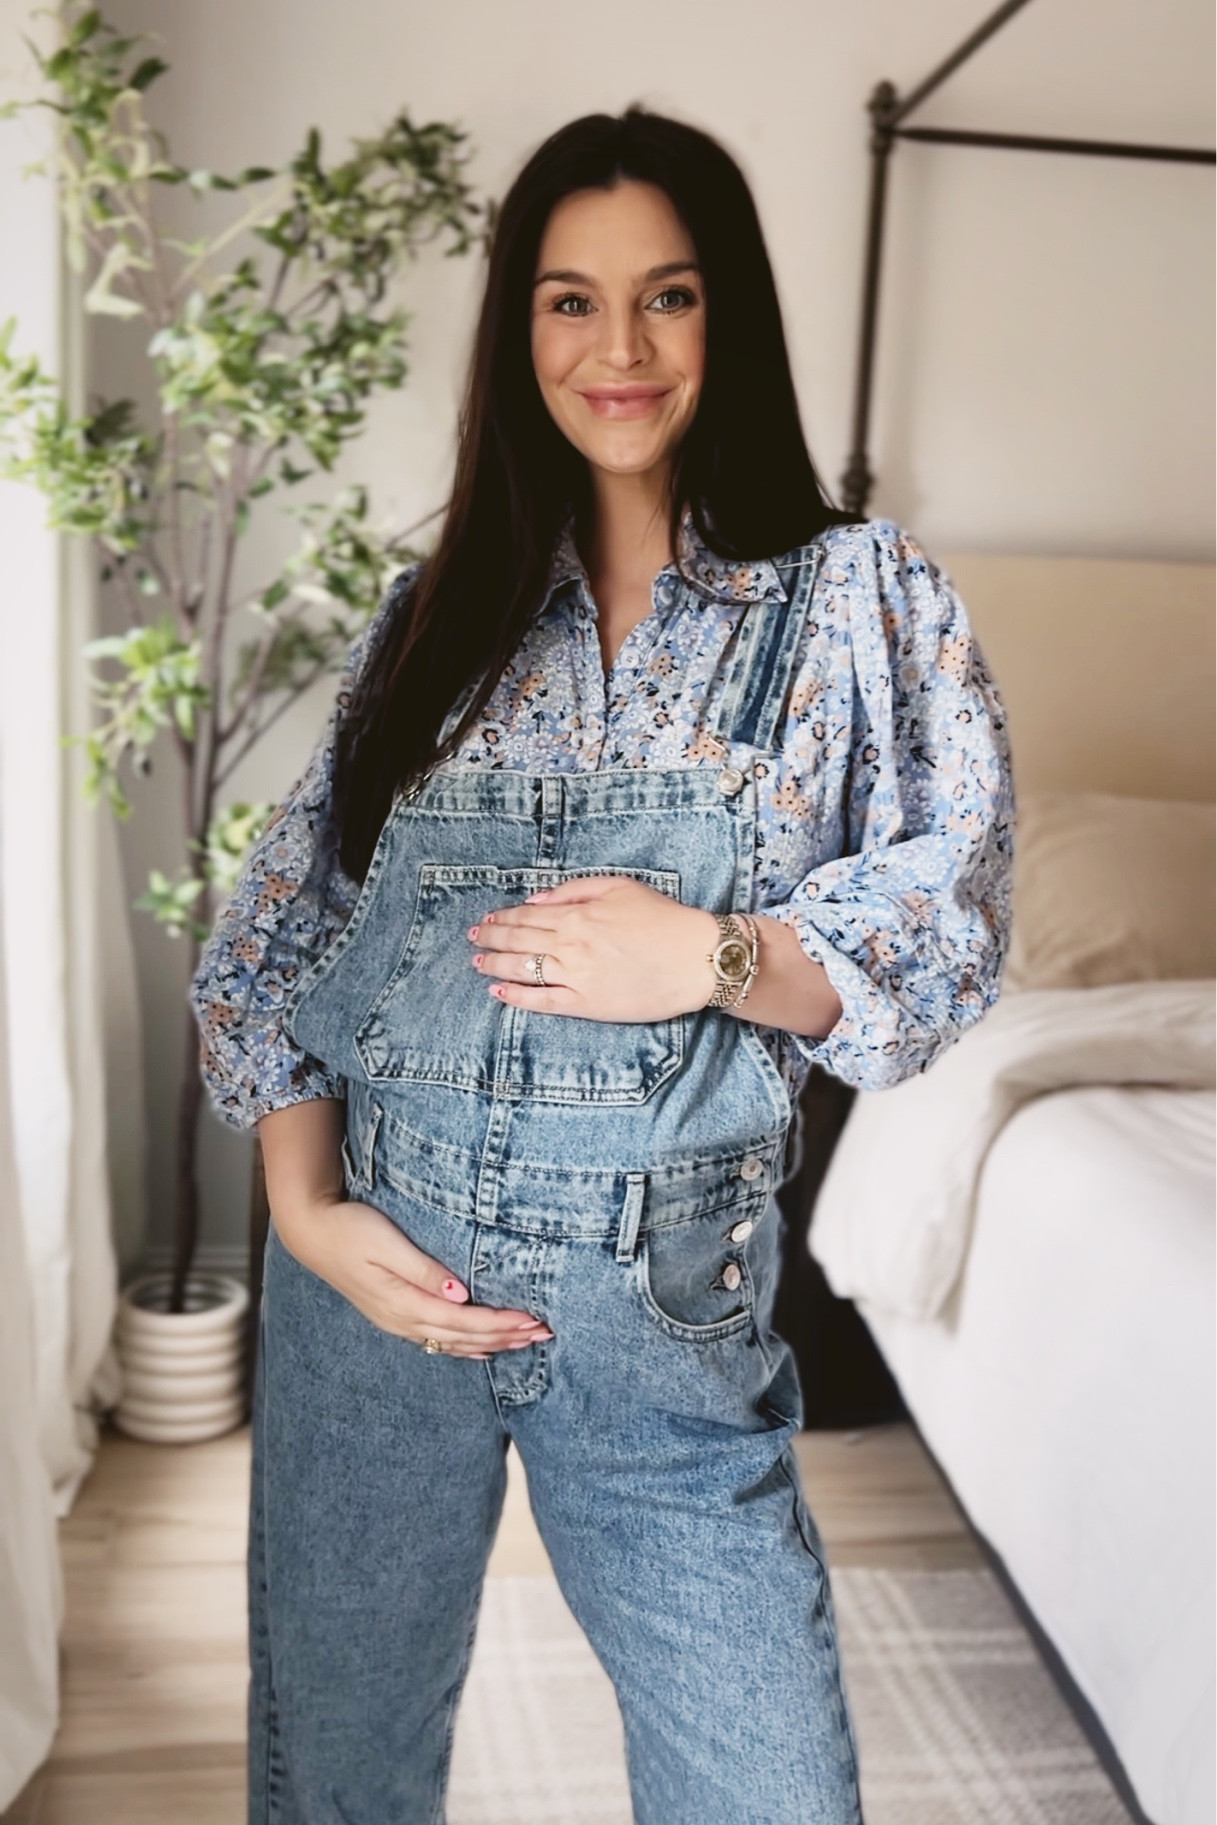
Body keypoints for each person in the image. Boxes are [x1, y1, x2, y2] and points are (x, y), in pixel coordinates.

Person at [191, 105, 1014, 1825]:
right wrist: (304, 1213)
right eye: (570, 300)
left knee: (769, 1788)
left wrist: (712, 952)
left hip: (662, 1322)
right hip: (377, 1295)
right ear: (521, 331)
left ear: (731, 317)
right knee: (336, 1778)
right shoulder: (432, 617)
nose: (618, 348)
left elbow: (950, 922)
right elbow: (280, 932)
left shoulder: (858, 600)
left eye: (669, 295)